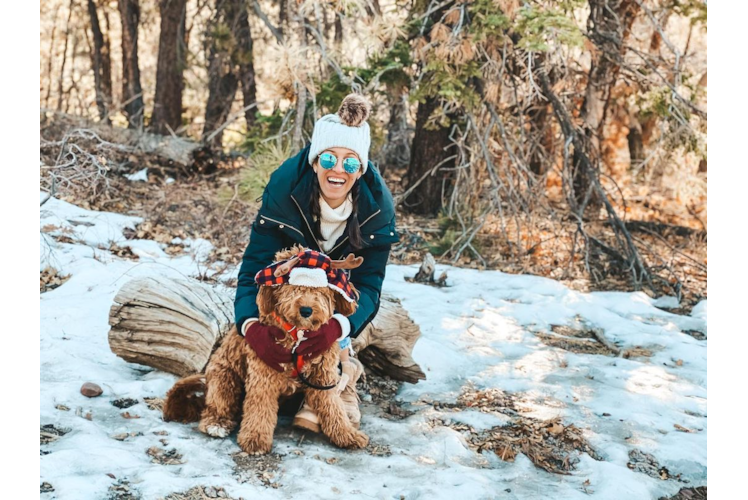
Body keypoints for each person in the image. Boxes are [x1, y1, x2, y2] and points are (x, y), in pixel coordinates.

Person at [234, 93, 399, 431]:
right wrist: (251, 326)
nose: (338, 170)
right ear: (314, 161)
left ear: (361, 168)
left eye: (350, 163)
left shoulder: (376, 208)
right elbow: (253, 270)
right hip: (287, 298)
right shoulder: (284, 191)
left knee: (344, 332)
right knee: (243, 352)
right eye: (329, 159)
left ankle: (341, 377)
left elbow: (368, 286)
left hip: (337, 301)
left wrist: (337, 327)